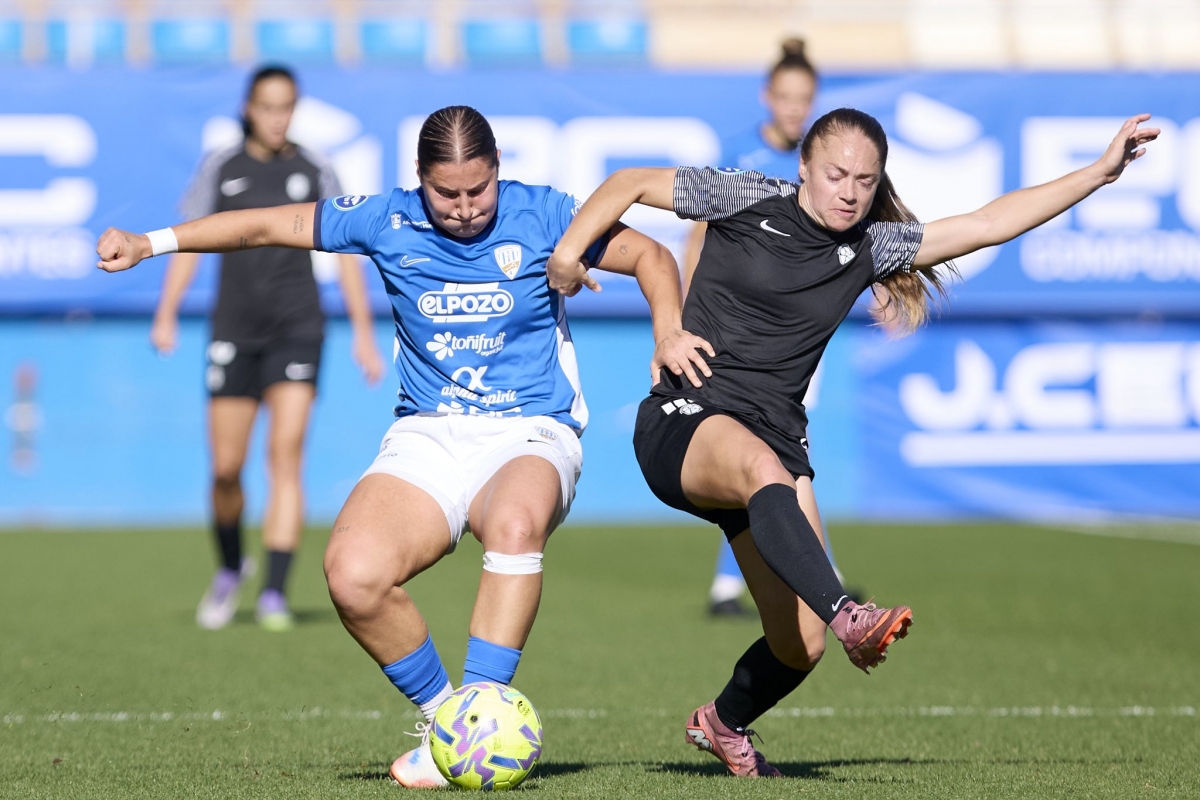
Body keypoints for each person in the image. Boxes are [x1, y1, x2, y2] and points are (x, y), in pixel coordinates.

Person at [96, 105, 711, 788]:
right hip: (429, 432)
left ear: (497, 170)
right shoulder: (385, 219)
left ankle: (479, 710)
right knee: (352, 576)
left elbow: (652, 257)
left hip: (531, 429)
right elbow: (264, 224)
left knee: (513, 523)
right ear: (419, 177)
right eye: (447, 193)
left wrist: (667, 331)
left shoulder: (546, 214)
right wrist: (150, 242)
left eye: (479, 189)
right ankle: (453, 727)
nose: (465, 208)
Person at [548, 109, 1158, 777]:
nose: (849, 192)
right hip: (687, 416)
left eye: (865, 181)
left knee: (800, 645)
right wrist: (569, 254)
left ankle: (723, 722)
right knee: (770, 486)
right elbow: (630, 183)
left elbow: (988, 223)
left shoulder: (873, 246)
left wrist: (1099, 174)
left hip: (774, 443)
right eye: (836, 175)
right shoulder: (746, 194)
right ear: (804, 168)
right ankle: (849, 614)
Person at [150, 65, 384, 632]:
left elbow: (347, 254)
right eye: (268, 107)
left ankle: (275, 592)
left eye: (287, 107)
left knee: (285, 455)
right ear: (248, 109)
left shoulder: (315, 168)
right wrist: (166, 311)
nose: (278, 118)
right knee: (226, 469)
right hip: (233, 329)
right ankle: (232, 566)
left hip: (297, 328)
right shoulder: (220, 166)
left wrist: (363, 332)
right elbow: (190, 239)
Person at [684, 37, 835, 617]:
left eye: (805, 98)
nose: (795, 108)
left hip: (796, 334)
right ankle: (746, 582)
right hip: (737, 331)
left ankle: (817, 574)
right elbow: (698, 234)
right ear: (767, 96)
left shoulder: (822, 165)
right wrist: (687, 317)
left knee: (786, 454)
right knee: (768, 454)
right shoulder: (739, 155)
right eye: (786, 97)